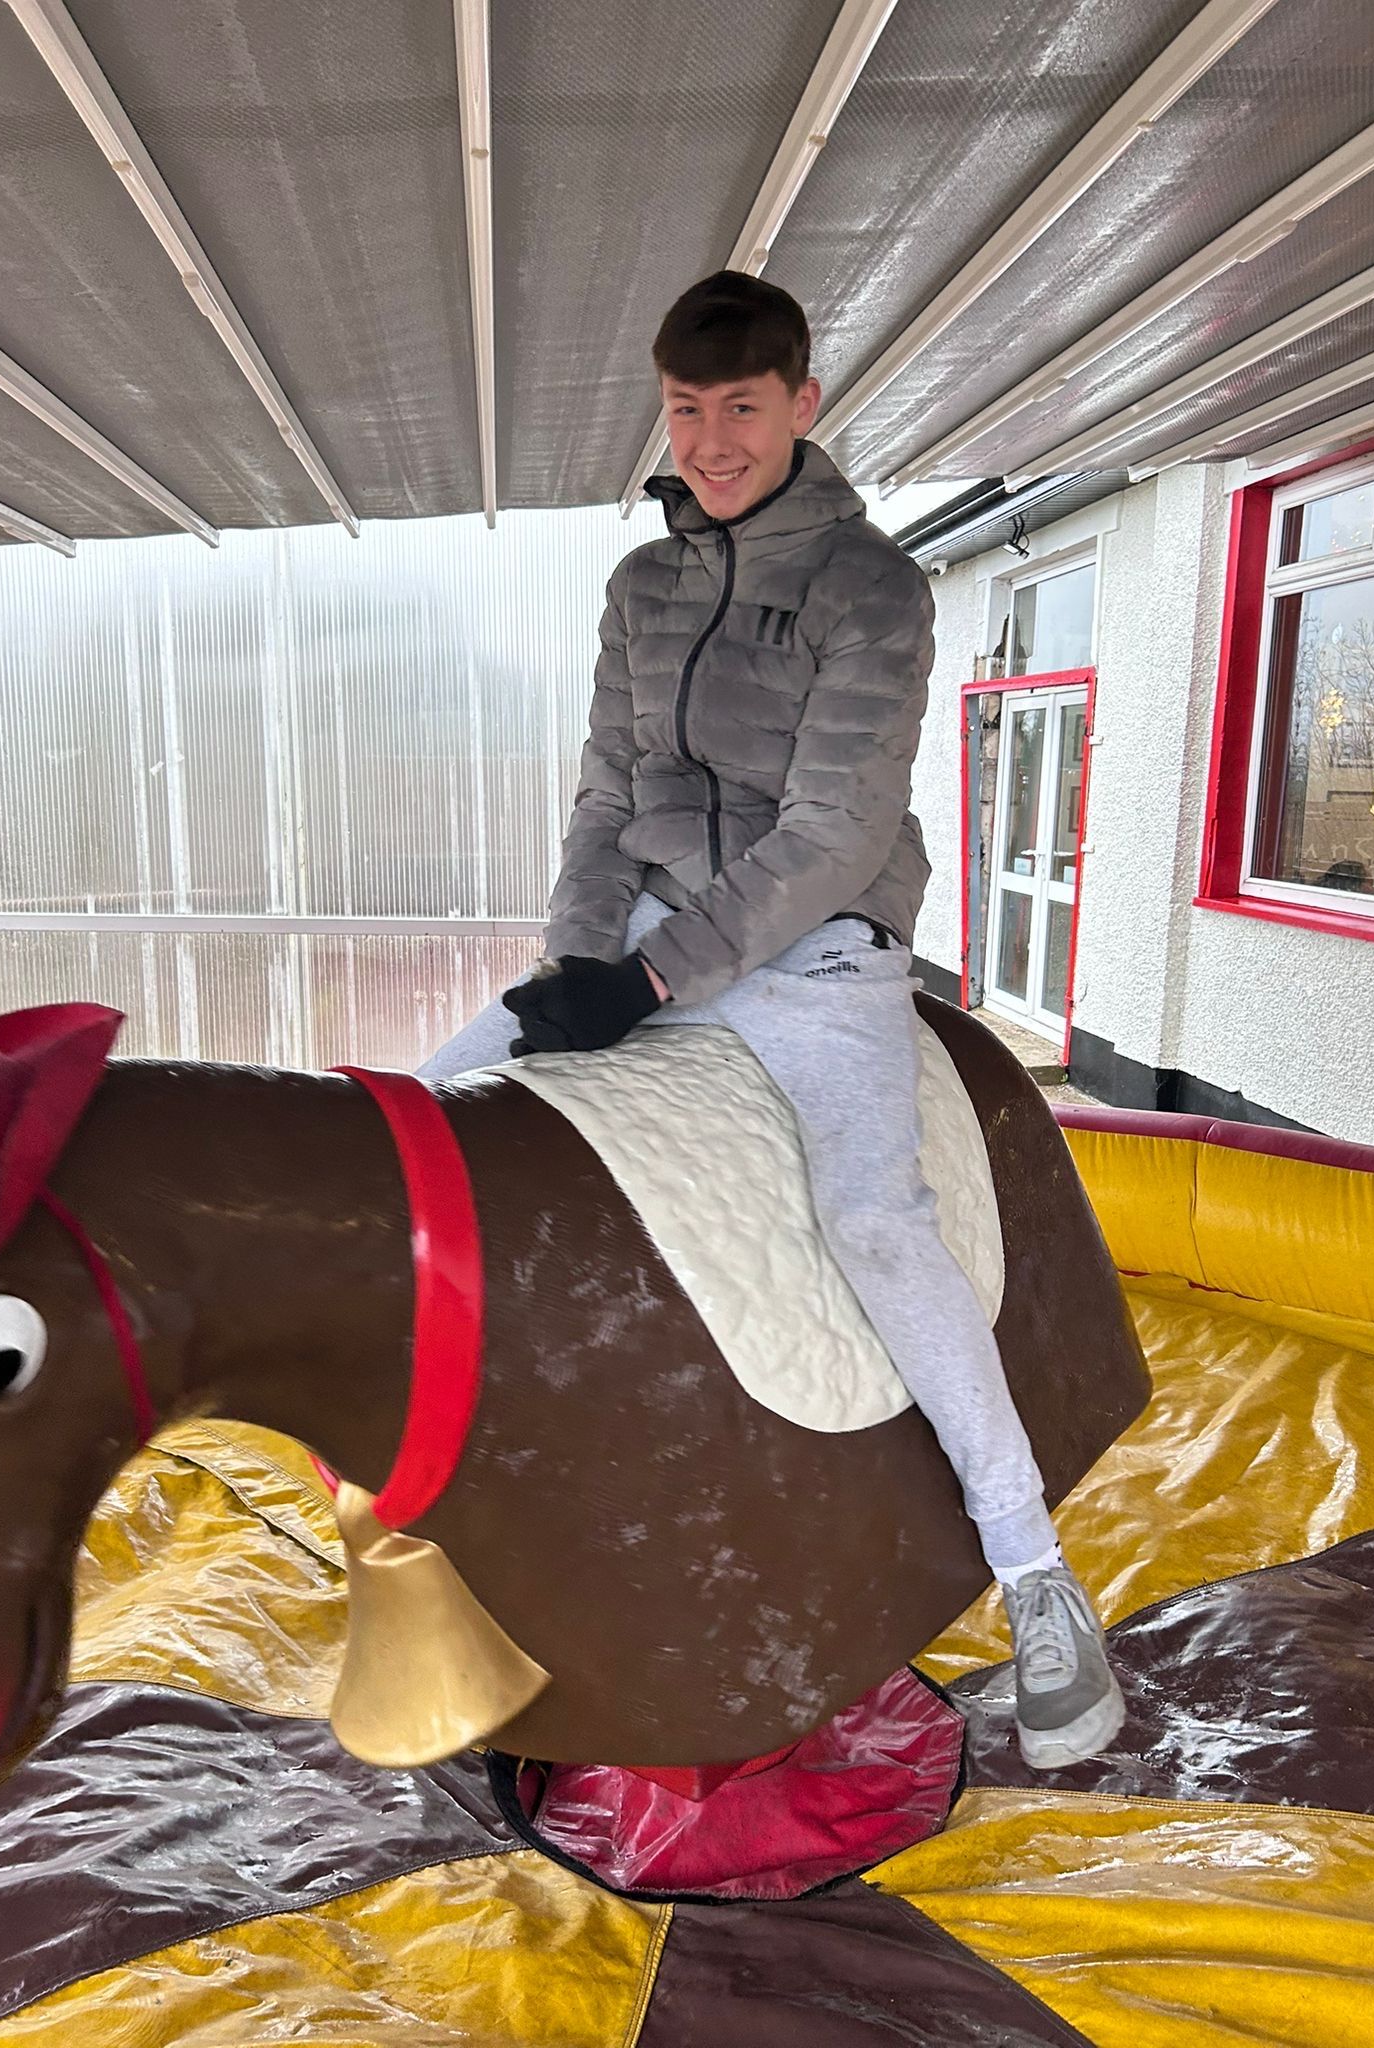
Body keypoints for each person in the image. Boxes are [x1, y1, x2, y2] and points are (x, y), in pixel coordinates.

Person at [422, 271, 1124, 1769]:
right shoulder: (642, 589)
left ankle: (1035, 1575)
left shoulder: (873, 588)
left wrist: (652, 983)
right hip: (643, 937)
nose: (712, 441)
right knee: (424, 1118)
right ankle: (440, 1535)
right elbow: (606, 798)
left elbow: (834, 829)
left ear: (802, 404)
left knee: (878, 1221)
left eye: (741, 407)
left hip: (813, 950)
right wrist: (575, 971)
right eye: (687, 411)